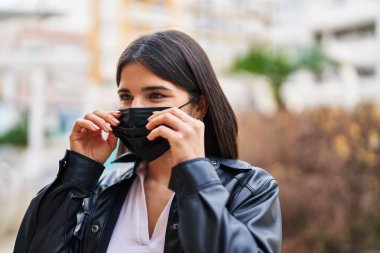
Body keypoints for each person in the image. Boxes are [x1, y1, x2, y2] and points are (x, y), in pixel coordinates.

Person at [14, 30, 282, 253]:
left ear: (199, 107)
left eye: (155, 95)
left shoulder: (250, 190)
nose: (135, 108)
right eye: (126, 97)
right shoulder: (102, 188)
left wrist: (194, 172)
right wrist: (78, 172)